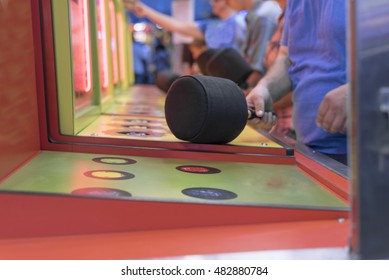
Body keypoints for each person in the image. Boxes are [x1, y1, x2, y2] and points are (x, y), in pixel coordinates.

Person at [246, 0, 348, 164]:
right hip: (310, 146)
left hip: (366, 149)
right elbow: (287, 57)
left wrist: (358, 90)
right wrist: (265, 88)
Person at [123, 0, 247, 52]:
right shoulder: (216, 25)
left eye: (215, 0)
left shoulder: (241, 20)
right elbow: (178, 26)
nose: (211, 3)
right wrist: (146, 11)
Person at [224, 0, 282, 87]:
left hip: (267, 87)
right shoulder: (257, 13)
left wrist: (239, 94)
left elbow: (258, 71)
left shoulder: (262, 17)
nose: (226, 3)